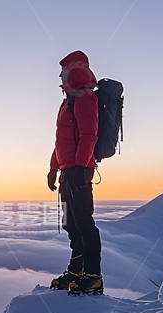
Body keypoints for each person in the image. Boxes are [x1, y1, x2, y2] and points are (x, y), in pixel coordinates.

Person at [47, 50, 103, 295]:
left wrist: (81, 167)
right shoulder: (68, 101)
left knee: (84, 222)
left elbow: (90, 134)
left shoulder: (85, 98)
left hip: (79, 171)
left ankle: (93, 275)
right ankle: (76, 270)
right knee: (70, 222)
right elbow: (61, 141)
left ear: (74, 71)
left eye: (64, 71)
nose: (61, 75)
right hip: (67, 172)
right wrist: (53, 169)